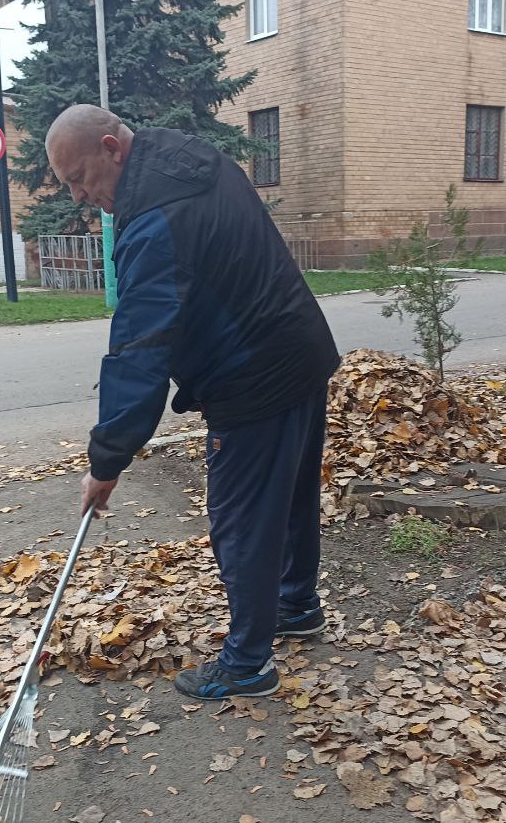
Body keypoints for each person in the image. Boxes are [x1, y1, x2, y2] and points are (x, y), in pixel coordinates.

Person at [45, 104, 340, 700]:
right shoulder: (191, 157)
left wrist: (108, 461)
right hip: (300, 349)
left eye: (79, 178)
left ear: (111, 148)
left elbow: (140, 349)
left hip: (253, 376)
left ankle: (248, 664)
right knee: (288, 500)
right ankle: (296, 606)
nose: (78, 195)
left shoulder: (154, 219)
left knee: (243, 522)